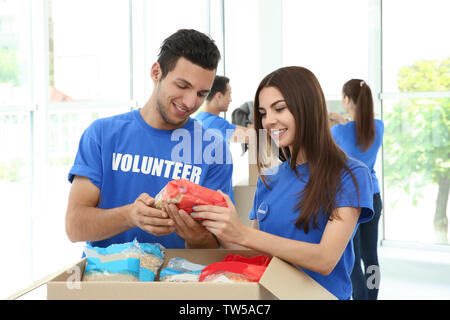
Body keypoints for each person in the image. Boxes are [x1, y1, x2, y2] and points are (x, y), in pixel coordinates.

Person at [184, 66, 374, 300]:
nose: (268, 121)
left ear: (308, 106)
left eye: (280, 109)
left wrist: (241, 233)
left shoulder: (351, 174)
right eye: (263, 113)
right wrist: (218, 226)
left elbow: (325, 259)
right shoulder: (269, 179)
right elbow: (257, 252)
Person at [65, 29, 233, 251]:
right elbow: (75, 226)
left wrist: (196, 236)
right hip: (108, 279)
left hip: (179, 282)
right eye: (182, 86)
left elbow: (214, 246)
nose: (191, 102)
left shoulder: (214, 149)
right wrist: (130, 216)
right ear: (156, 72)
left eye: (202, 94)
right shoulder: (102, 135)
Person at [329, 79, 384, 300]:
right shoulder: (378, 127)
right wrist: (345, 120)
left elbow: (342, 145)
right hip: (373, 196)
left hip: (351, 200)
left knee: (352, 256)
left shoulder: (338, 132)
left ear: (347, 100)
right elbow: (359, 131)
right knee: (371, 257)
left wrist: (340, 121)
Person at [195, 75, 254, 144]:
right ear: (219, 96)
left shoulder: (199, 118)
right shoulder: (215, 123)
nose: (230, 100)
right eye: (229, 95)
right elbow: (252, 136)